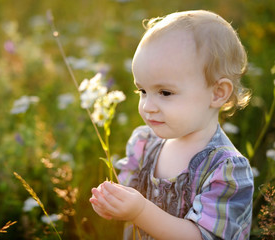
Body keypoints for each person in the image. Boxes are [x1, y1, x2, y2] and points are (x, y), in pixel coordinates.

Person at [89, 10, 254, 240]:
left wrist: (139, 211)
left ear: (217, 93)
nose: (147, 106)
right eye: (142, 91)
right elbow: (127, 193)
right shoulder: (144, 144)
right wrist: (112, 202)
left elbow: (203, 236)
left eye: (165, 92)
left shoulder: (226, 170)